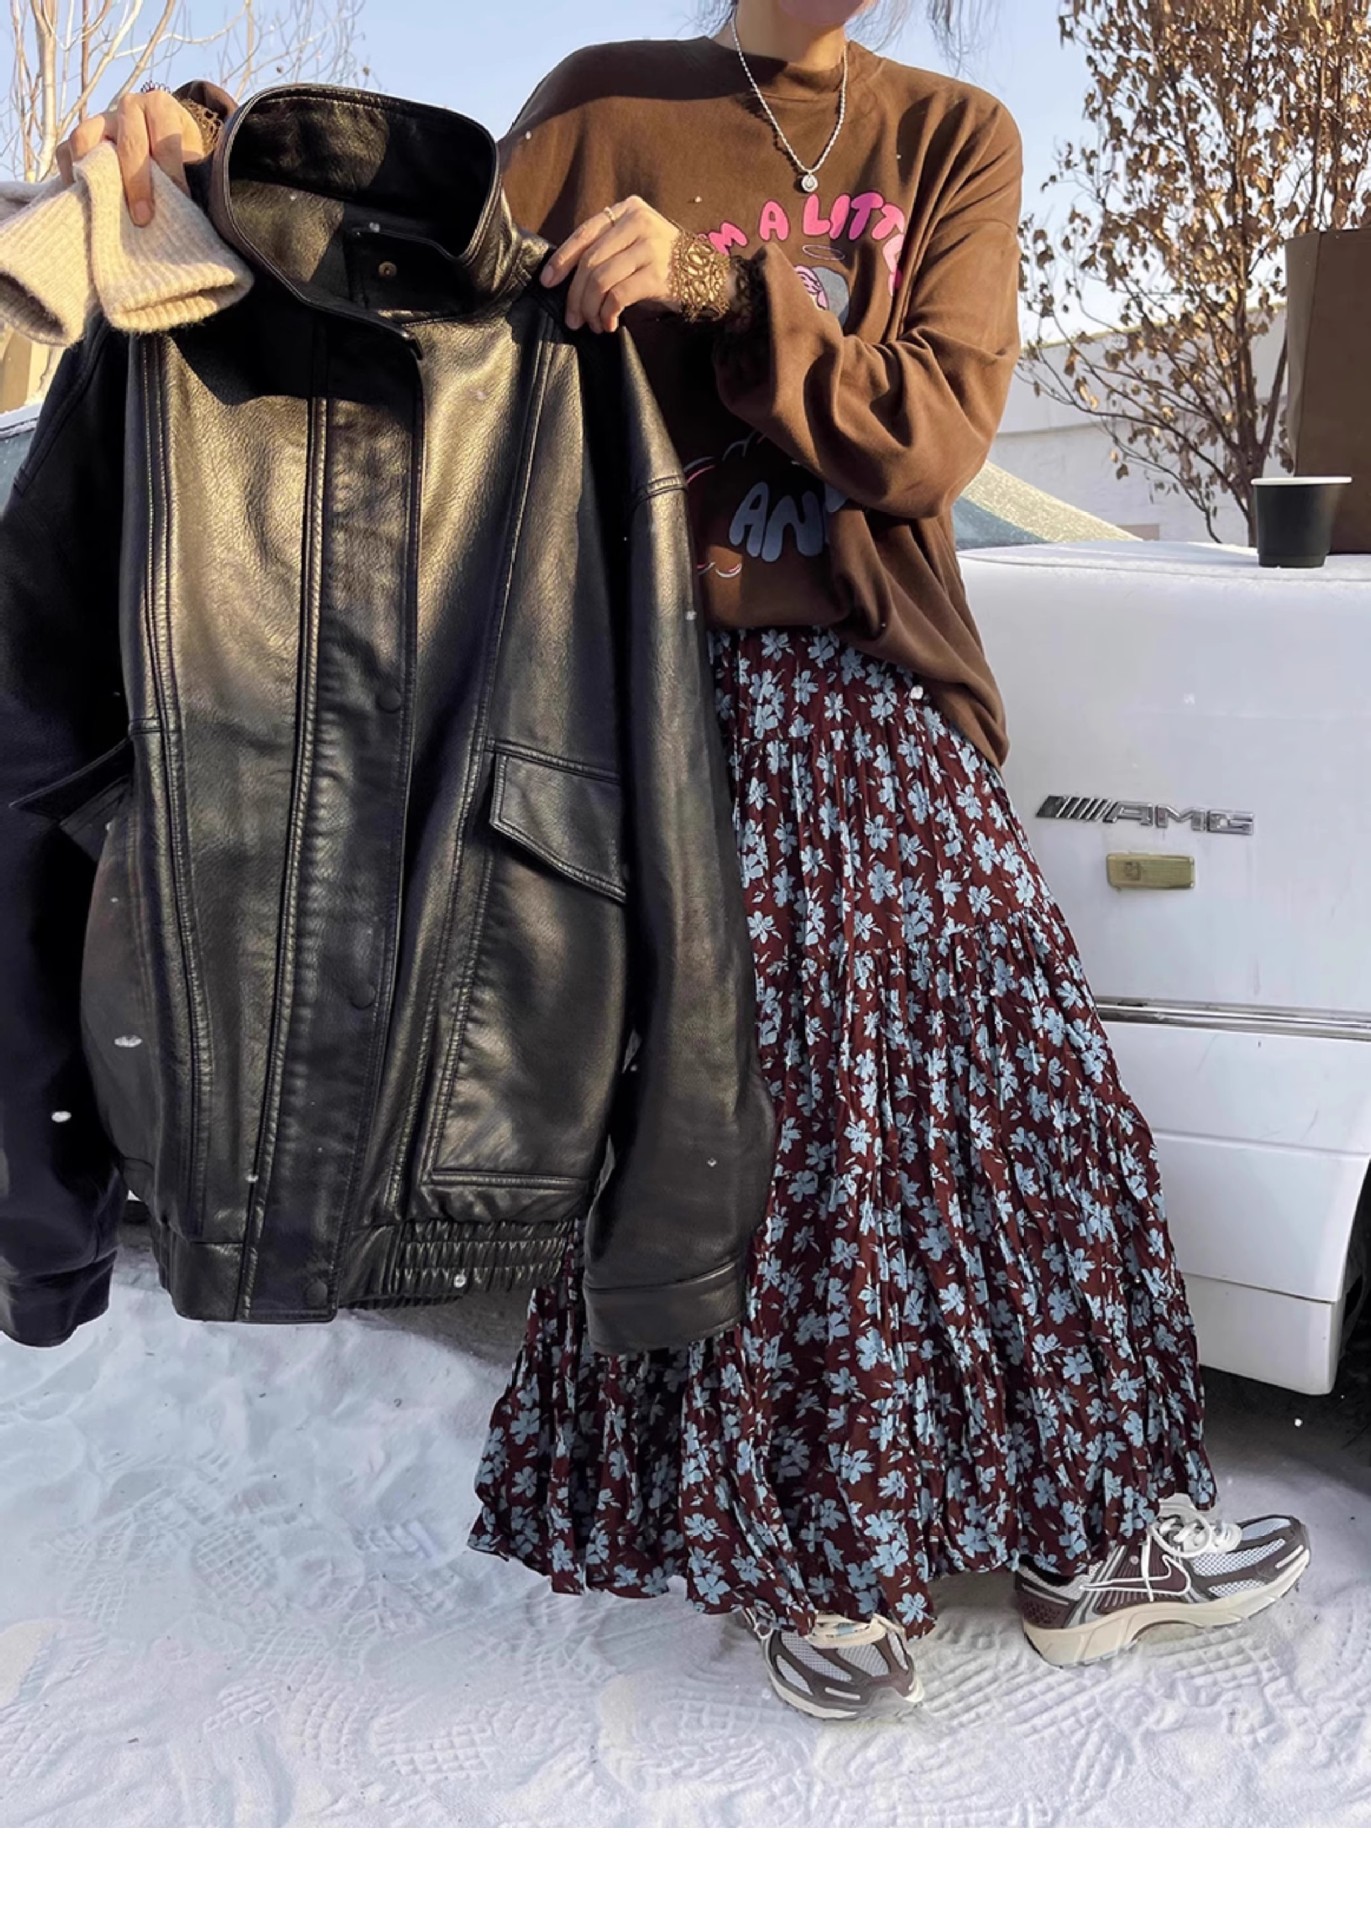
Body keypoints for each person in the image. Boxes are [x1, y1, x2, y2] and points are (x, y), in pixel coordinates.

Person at [58, 0, 1309, 1723]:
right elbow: (400, 267)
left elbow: (934, 433)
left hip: (878, 686)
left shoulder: (951, 136)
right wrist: (214, 151)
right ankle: (822, 1567)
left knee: (1030, 1111)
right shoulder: (600, 110)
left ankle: (1087, 1535)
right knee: (737, 1131)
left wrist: (725, 287)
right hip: (656, 691)